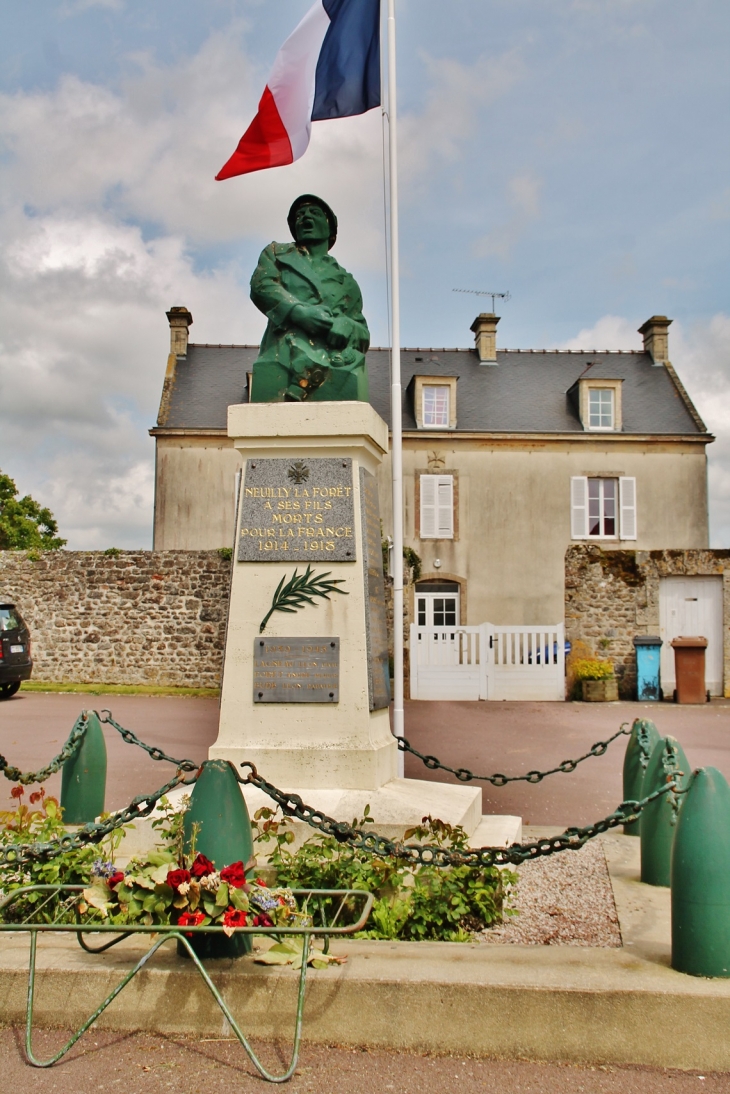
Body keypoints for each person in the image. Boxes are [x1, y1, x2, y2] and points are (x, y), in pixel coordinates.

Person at [249, 195, 370, 402]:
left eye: (314, 214)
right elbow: (262, 286)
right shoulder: (277, 254)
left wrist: (346, 326)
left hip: (333, 357)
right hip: (283, 349)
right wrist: (298, 312)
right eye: (299, 216)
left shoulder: (347, 282)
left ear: (330, 228)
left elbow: (362, 333)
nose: (305, 219)